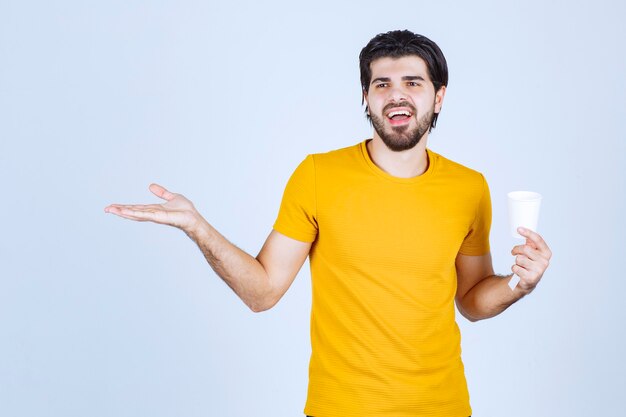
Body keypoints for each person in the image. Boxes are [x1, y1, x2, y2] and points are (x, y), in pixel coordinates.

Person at [105, 29, 552, 417]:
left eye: (412, 82)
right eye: (382, 84)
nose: (396, 95)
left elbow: (472, 301)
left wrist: (520, 282)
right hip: (339, 408)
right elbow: (262, 293)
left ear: (439, 96)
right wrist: (197, 226)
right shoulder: (318, 175)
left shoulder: (469, 188)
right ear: (366, 98)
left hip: (443, 407)